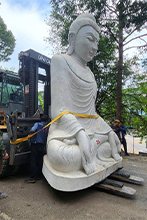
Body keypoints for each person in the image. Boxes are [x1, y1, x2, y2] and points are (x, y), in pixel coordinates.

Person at [46, 13, 122, 176]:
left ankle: (93, 144)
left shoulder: (90, 73)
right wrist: (79, 134)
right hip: (66, 133)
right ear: (73, 38)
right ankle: (93, 145)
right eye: (90, 39)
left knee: (113, 143)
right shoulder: (60, 61)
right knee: (63, 157)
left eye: (97, 42)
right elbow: (58, 110)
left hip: (90, 130)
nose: (95, 47)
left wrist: (108, 130)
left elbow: (91, 113)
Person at [25, 115, 49, 183]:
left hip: (35, 143)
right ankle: (38, 176)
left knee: (33, 160)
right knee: (40, 160)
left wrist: (30, 136)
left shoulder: (37, 124)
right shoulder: (47, 126)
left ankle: (33, 177)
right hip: (42, 144)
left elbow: (32, 130)